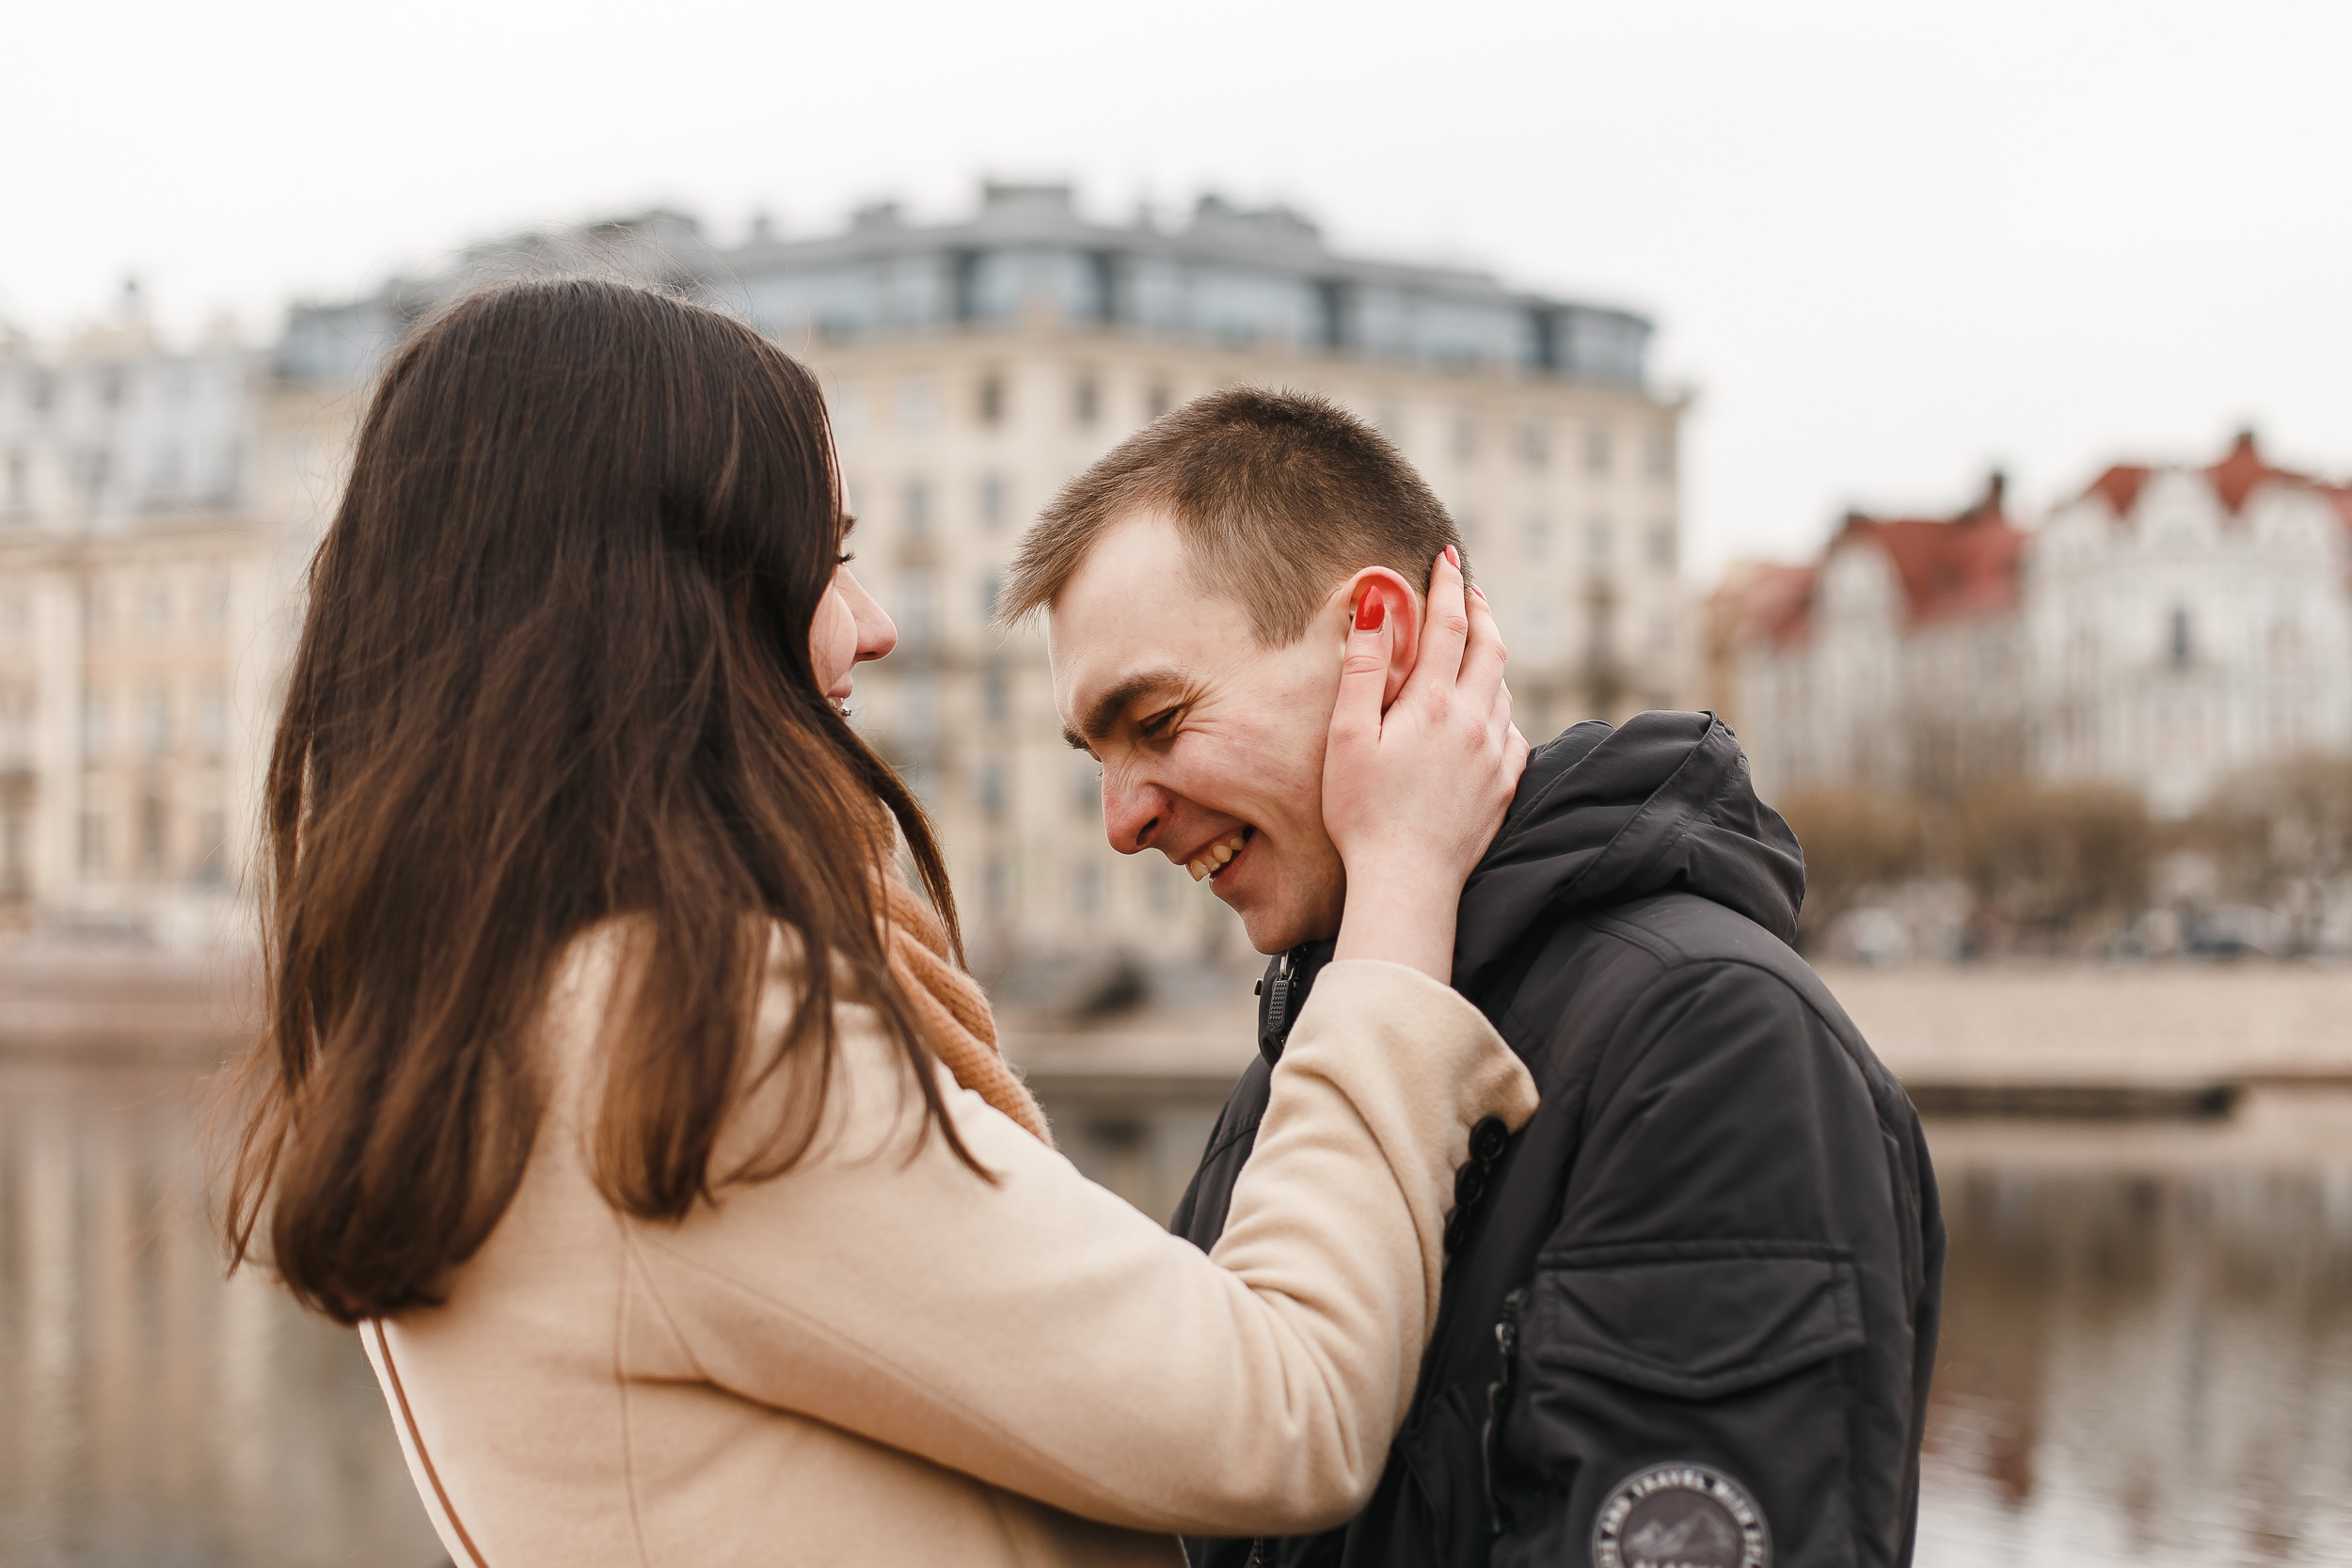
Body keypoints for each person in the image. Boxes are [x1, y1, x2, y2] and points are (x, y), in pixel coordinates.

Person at [215, 280, 1543, 1568]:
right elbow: (1284, 1411)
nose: (875, 626)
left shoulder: (484, 1018)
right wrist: (1400, 883)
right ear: (669, 595)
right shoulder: (697, 1036)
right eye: (828, 561)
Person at [1000, 388, 1945, 1568]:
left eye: (1155, 720)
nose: (1121, 821)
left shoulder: (1710, 1043)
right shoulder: (1320, 1044)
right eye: (1095, 756)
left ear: (1380, 640)